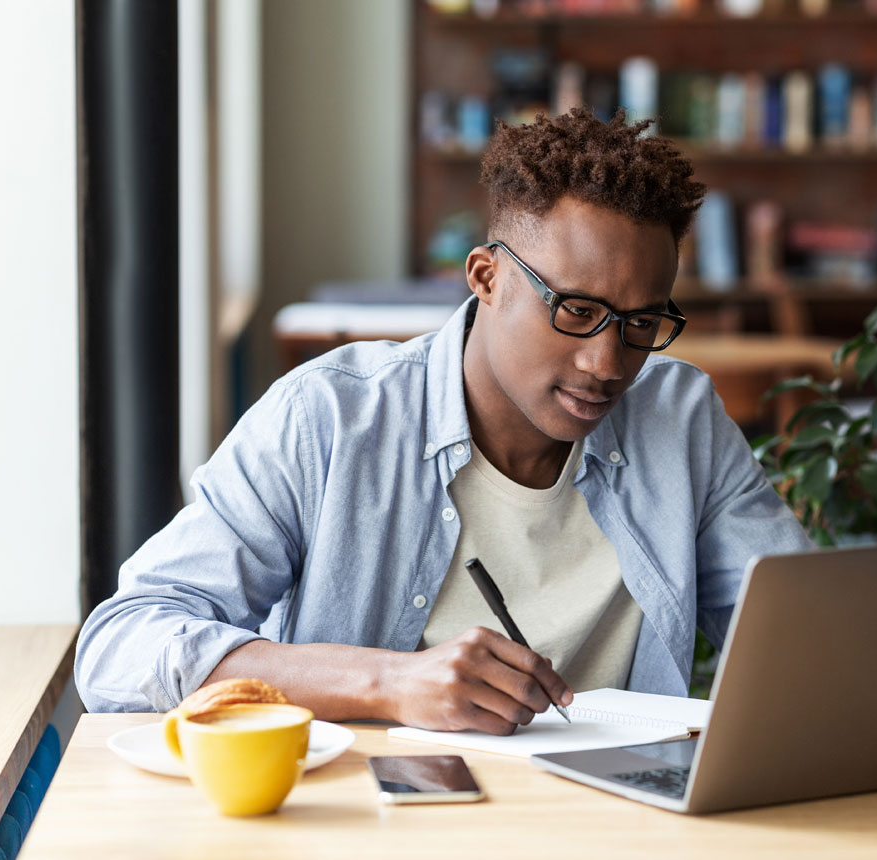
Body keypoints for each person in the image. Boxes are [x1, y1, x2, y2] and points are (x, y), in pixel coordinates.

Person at [75, 107, 814, 735]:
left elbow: (807, 638)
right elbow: (120, 644)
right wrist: (387, 684)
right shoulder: (329, 419)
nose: (606, 362)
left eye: (641, 322)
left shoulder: (681, 420)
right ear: (486, 277)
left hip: (614, 824)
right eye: (575, 310)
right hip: (370, 822)